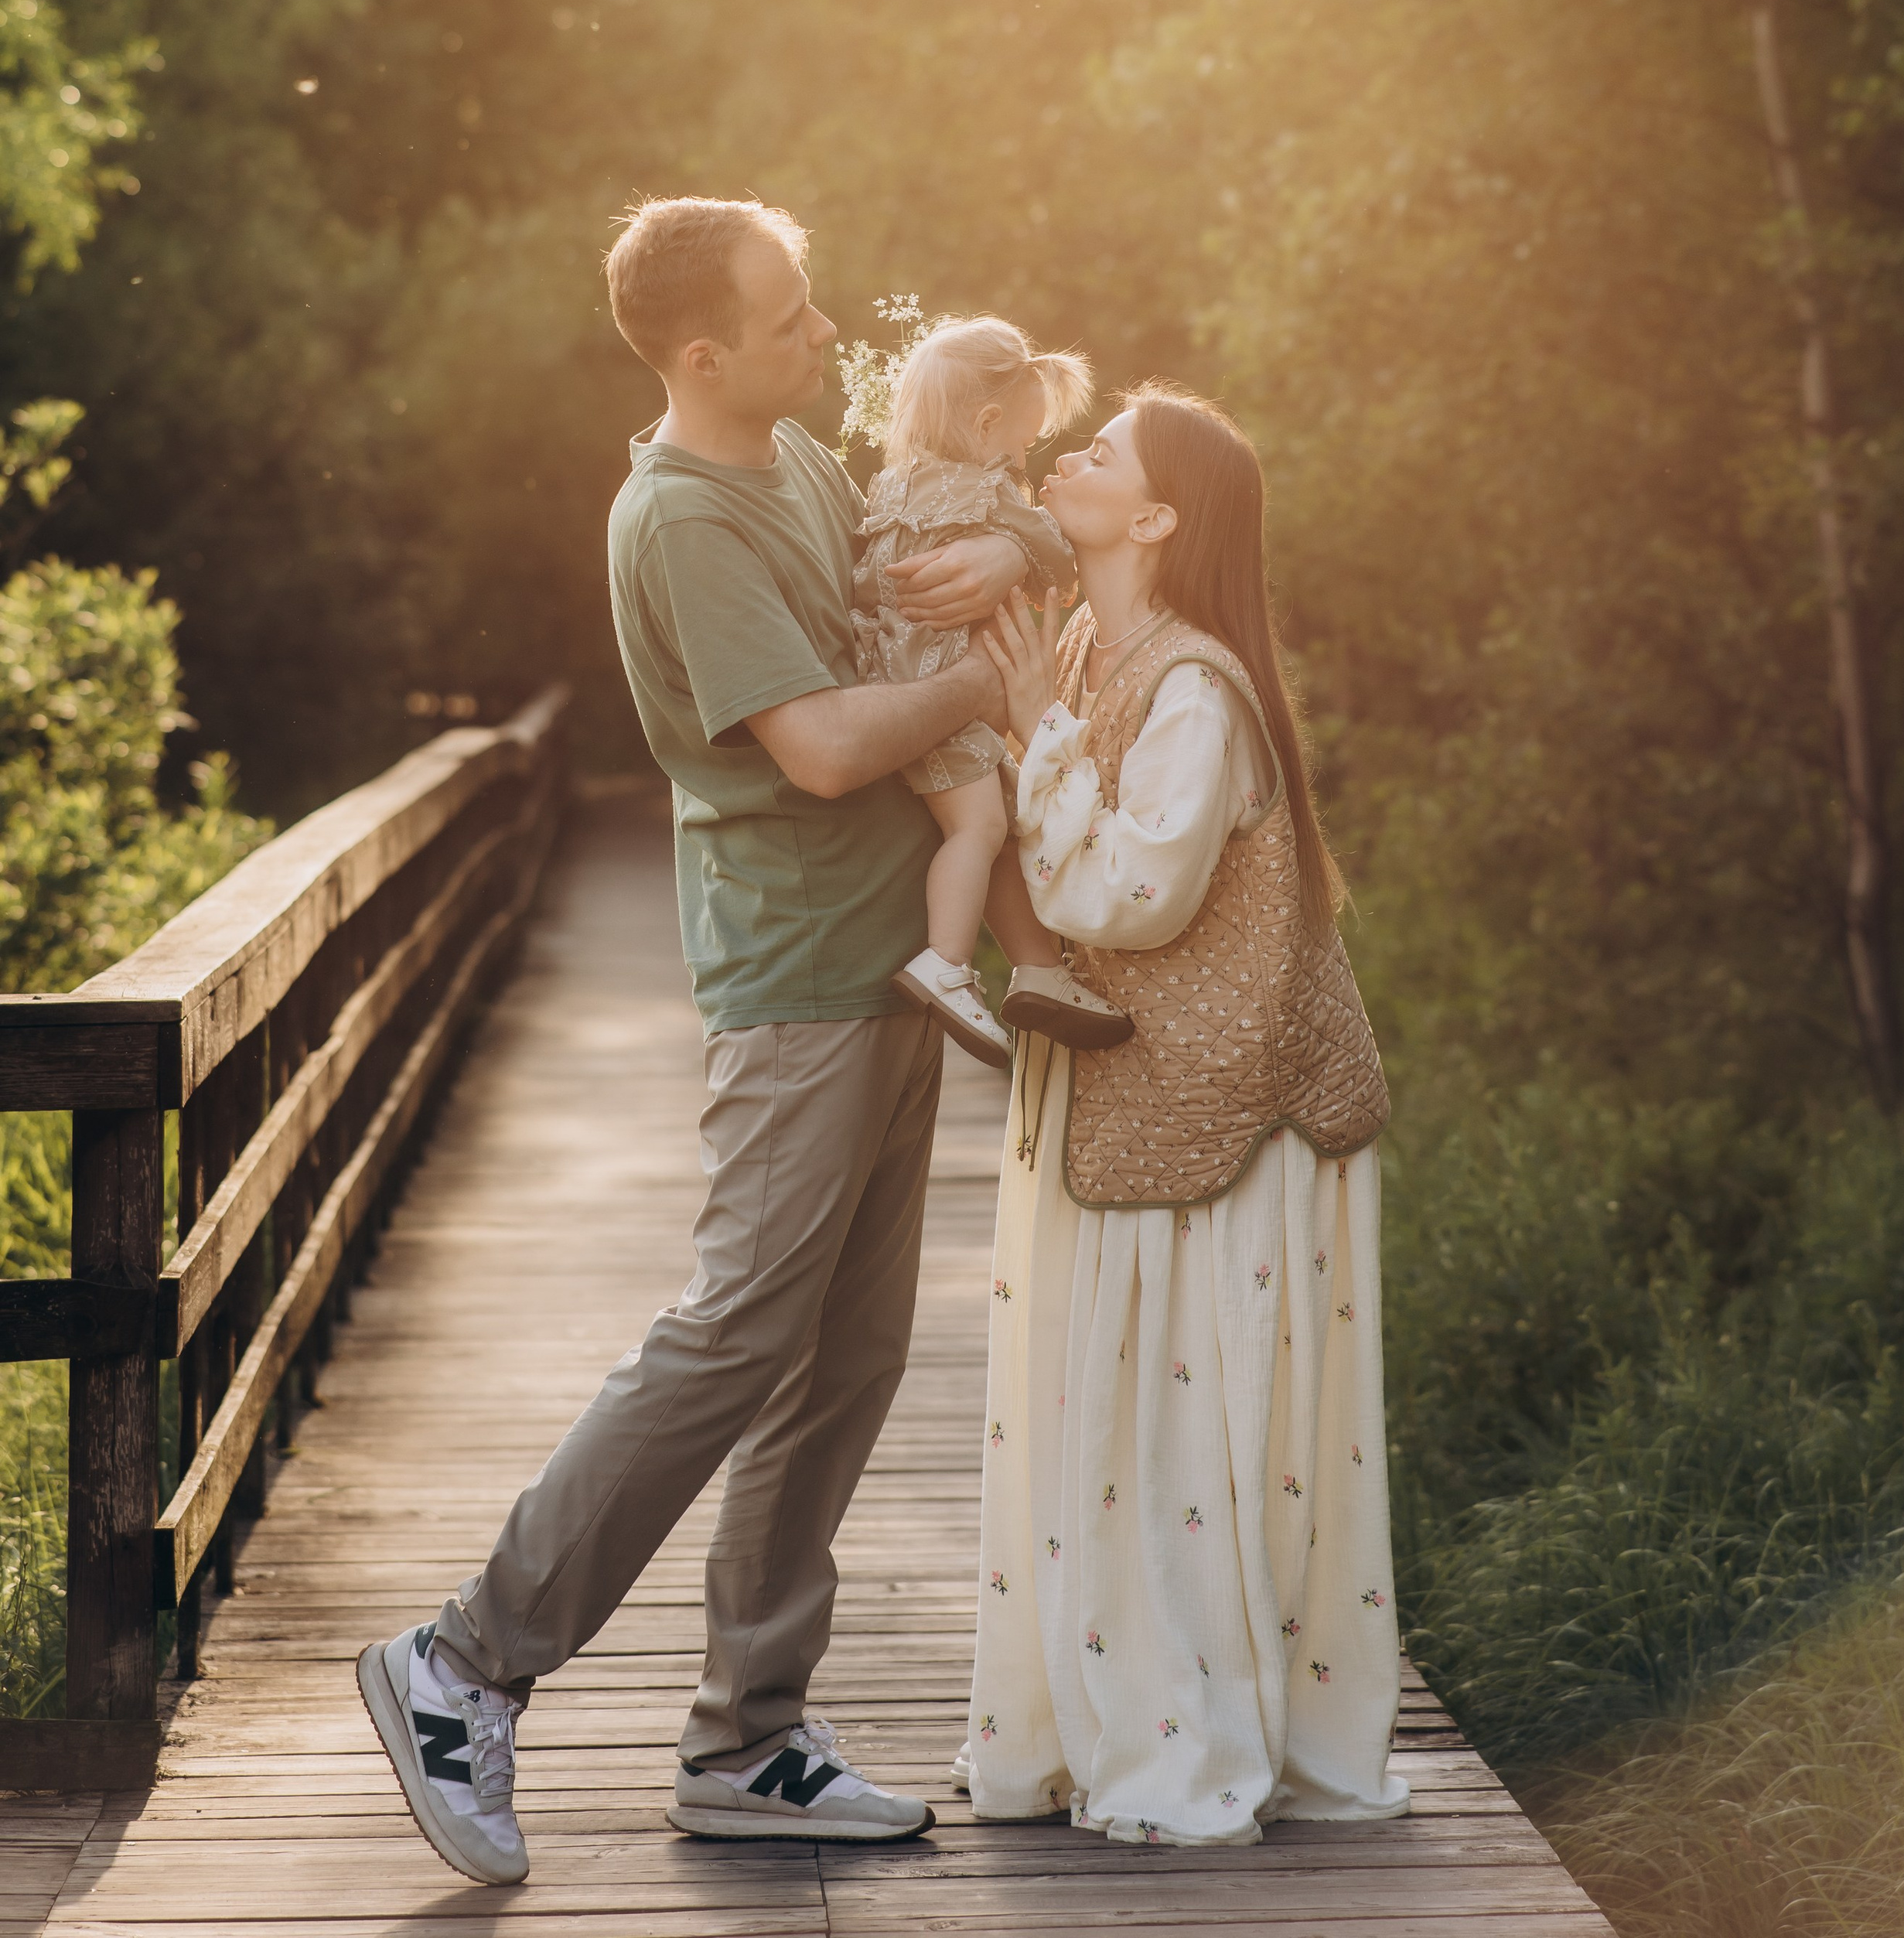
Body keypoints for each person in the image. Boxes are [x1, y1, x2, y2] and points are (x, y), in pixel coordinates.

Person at [358, 196, 1041, 1885]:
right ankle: (464, 1661)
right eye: (791, 316)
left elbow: (914, 557)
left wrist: (1010, 560)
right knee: (736, 1331)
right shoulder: (679, 517)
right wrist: (982, 690)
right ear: (702, 353)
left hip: (892, 956)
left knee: (845, 1361)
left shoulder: (796, 458)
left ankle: (749, 1739)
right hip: (799, 970)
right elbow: (820, 749)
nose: (827, 334)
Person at [961, 386, 1407, 1847]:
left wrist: (1030, 732)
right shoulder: (1090, 647)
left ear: (1155, 517)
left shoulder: (1197, 689)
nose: (1067, 454)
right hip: (1140, 1097)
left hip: (1226, 1114)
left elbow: (1131, 894)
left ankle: (1185, 1738)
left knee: (1175, 1435)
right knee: (1120, 1422)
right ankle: (1107, 1719)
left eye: (1100, 451)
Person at [852, 314, 1133, 1062]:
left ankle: (1038, 969)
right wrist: (1027, 542)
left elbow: (866, 584)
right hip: (945, 706)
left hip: (893, 692)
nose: (1025, 460)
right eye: (1023, 443)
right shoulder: (991, 494)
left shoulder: (889, 488)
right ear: (985, 425)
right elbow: (1061, 562)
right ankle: (946, 963)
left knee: (1002, 818)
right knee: (976, 829)